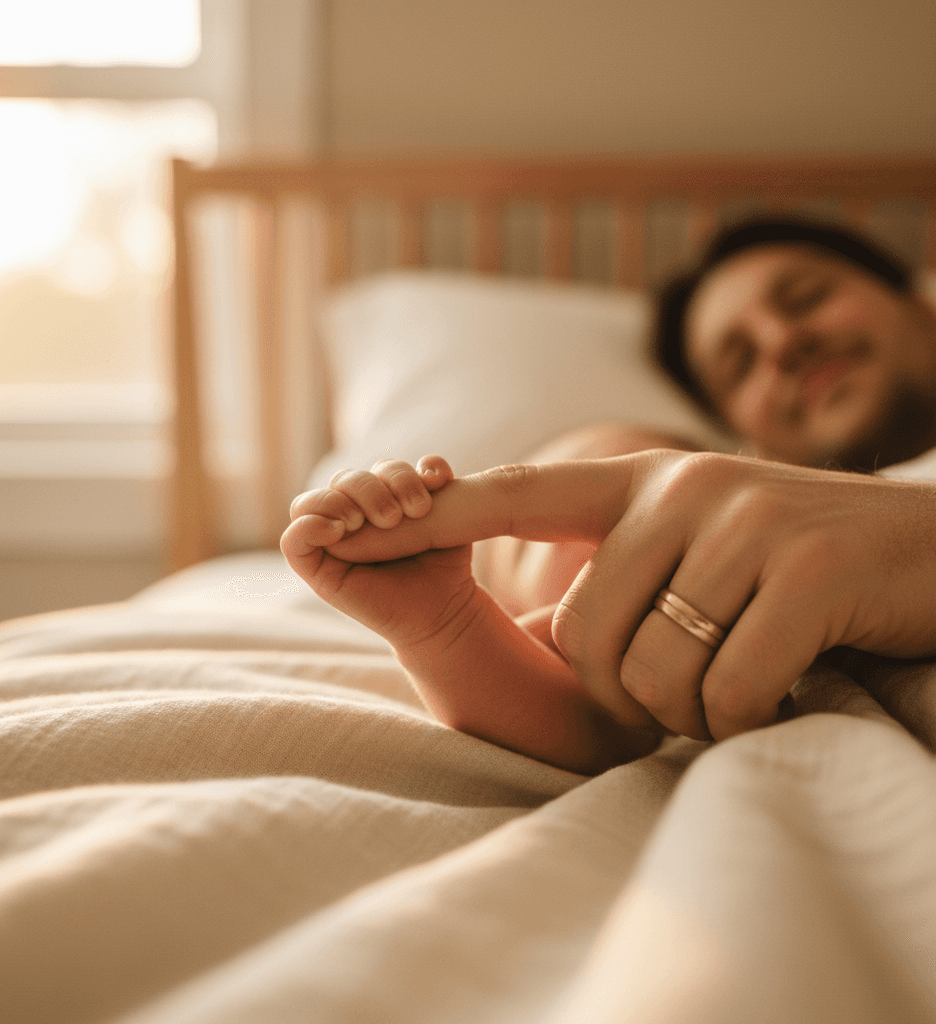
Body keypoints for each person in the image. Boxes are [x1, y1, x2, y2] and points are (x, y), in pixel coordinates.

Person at [281, 216, 936, 775]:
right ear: (747, 437)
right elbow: (598, 706)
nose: (783, 343)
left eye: (806, 296)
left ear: (915, 294)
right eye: (740, 363)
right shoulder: (710, 499)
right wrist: (445, 629)